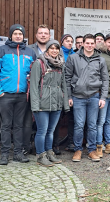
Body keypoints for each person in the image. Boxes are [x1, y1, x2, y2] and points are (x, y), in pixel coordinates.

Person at [65, 34, 109, 162]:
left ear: (95, 45)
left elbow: (105, 79)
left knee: (92, 125)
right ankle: (78, 149)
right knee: (79, 125)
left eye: (92, 43)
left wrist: (103, 97)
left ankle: (91, 150)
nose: (89, 45)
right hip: (78, 97)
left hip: (94, 96)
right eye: (87, 43)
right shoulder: (73, 58)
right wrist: (69, 96)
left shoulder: (100, 60)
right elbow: (67, 78)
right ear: (83, 44)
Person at [0, 24, 36, 165]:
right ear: (10, 35)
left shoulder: (30, 52)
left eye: (20, 34)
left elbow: (34, 73)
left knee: (19, 125)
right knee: (6, 125)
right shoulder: (2, 50)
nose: (18, 36)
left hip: (22, 95)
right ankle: (4, 154)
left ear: (23, 36)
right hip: (6, 95)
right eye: (15, 33)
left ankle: (18, 153)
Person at [30, 40, 69, 167]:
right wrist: (35, 105)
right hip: (42, 104)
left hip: (56, 104)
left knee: (50, 131)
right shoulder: (39, 63)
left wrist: (65, 104)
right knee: (42, 130)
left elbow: (63, 85)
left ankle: (49, 152)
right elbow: (34, 87)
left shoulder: (60, 65)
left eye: (56, 48)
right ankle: (40, 155)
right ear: (47, 50)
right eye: (51, 48)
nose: (54, 50)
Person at [24, 24, 51, 155]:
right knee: (29, 121)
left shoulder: (55, 49)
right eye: (40, 33)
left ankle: (50, 148)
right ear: (36, 35)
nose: (43, 35)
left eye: (45, 33)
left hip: (49, 93)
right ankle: (27, 146)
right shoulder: (29, 49)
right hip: (32, 90)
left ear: (49, 36)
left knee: (48, 124)